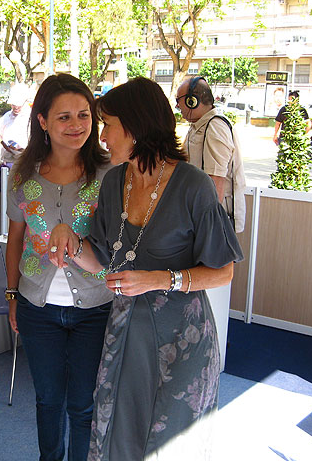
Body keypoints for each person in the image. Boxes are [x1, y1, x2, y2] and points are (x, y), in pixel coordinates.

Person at [48, 77, 244, 460]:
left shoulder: (193, 185)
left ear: (135, 128)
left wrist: (160, 279)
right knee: (119, 437)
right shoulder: (114, 182)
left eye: (109, 125)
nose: (102, 136)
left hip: (182, 341)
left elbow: (223, 273)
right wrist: (70, 242)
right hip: (124, 336)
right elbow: (102, 258)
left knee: (171, 444)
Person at [5, 74, 113, 461]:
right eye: (64, 117)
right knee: (48, 400)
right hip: (38, 307)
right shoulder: (21, 175)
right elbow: (15, 241)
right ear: (42, 121)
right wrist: (13, 295)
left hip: (96, 307)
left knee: (84, 403)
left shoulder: (110, 175)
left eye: (84, 115)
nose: (77, 125)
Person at [176, 76, 247, 232]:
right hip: (199, 214)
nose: (177, 105)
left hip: (213, 219)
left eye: (179, 100)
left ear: (191, 101)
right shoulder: (199, 125)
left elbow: (216, 182)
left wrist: (206, 229)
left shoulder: (215, 127)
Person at [0, 84, 31, 162]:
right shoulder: (7, 116)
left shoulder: (32, 118)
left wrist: (21, 149)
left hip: (25, 162)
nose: (16, 107)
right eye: (13, 104)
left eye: (19, 105)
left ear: (26, 101)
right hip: (7, 161)